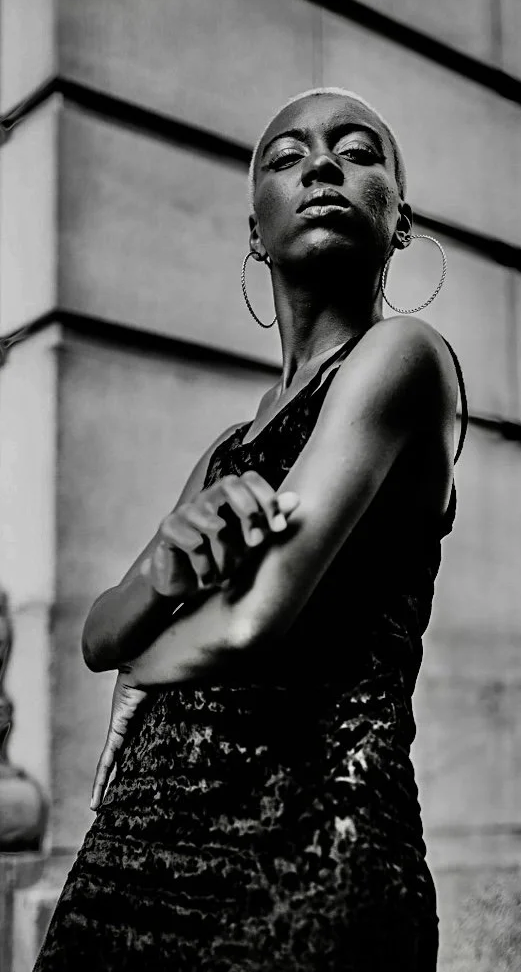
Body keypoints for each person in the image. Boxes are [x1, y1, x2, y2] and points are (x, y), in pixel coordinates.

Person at [33, 87, 468, 972]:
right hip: (141, 842)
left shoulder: (402, 358)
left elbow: (252, 620)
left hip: (304, 848)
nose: (321, 166)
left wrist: (143, 671)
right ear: (253, 229)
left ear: (398, 220)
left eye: (357, 151)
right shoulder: (230, 447)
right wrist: (164, 561)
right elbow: (97, 630)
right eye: (287, 156)